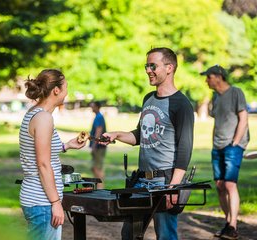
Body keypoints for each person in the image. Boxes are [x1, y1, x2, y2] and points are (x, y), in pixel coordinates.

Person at [102, 47, 194, 240]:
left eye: (153, 66)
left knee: (166, 236)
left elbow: (185, 148)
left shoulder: (181, 104)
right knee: (129, 234)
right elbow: (140, 135)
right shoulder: (148, 99)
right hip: (141, 181)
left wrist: (174, 187)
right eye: (146, 66)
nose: (148, 70)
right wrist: (116, 134)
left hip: (164, 182)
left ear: (169, 68)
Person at [19, 69, 86, 240]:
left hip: (37, 198)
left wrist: (67, 146)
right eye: (66, 87)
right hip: (42, 201)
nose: (67, 92)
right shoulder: (43, 118)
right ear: (56, 90)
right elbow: (43, 164)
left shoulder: (35, 113)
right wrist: (56, 203)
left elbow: (40, 151)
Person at [201, 65, 249, 239]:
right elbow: (218, 121)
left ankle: (233, 226)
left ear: (219, 77)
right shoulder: (215, 96)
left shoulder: (236, 92)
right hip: (218, 146)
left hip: (233, 145)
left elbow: (243, 118)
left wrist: (235, 142)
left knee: (229, 184)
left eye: (208, 77)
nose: (206, 80)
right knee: (220, 185)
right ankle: (228, 222)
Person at [89, 101, 107, 188]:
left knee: (97, 167)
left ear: (97, 106)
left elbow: (98, 131)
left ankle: (100, 187)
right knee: (95, 167)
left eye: (92, 105)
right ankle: (98, 186)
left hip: (99, 147)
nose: (91, 107)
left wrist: (94, 145)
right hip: (98, 146)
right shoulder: (98, 116)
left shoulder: (99, 117)